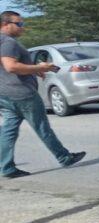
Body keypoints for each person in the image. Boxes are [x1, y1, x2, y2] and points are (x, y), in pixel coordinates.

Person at [0, 11, 85, 179]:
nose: (22, 27)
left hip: (5, 94)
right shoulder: (8, 42)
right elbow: (11, 66)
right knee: (42, 127)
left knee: (8, 131)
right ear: (5, 24)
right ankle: (64, 157)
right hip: (22, 93)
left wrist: (32, 70)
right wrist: (41, 67)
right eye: (19, 24)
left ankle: (7, 167)